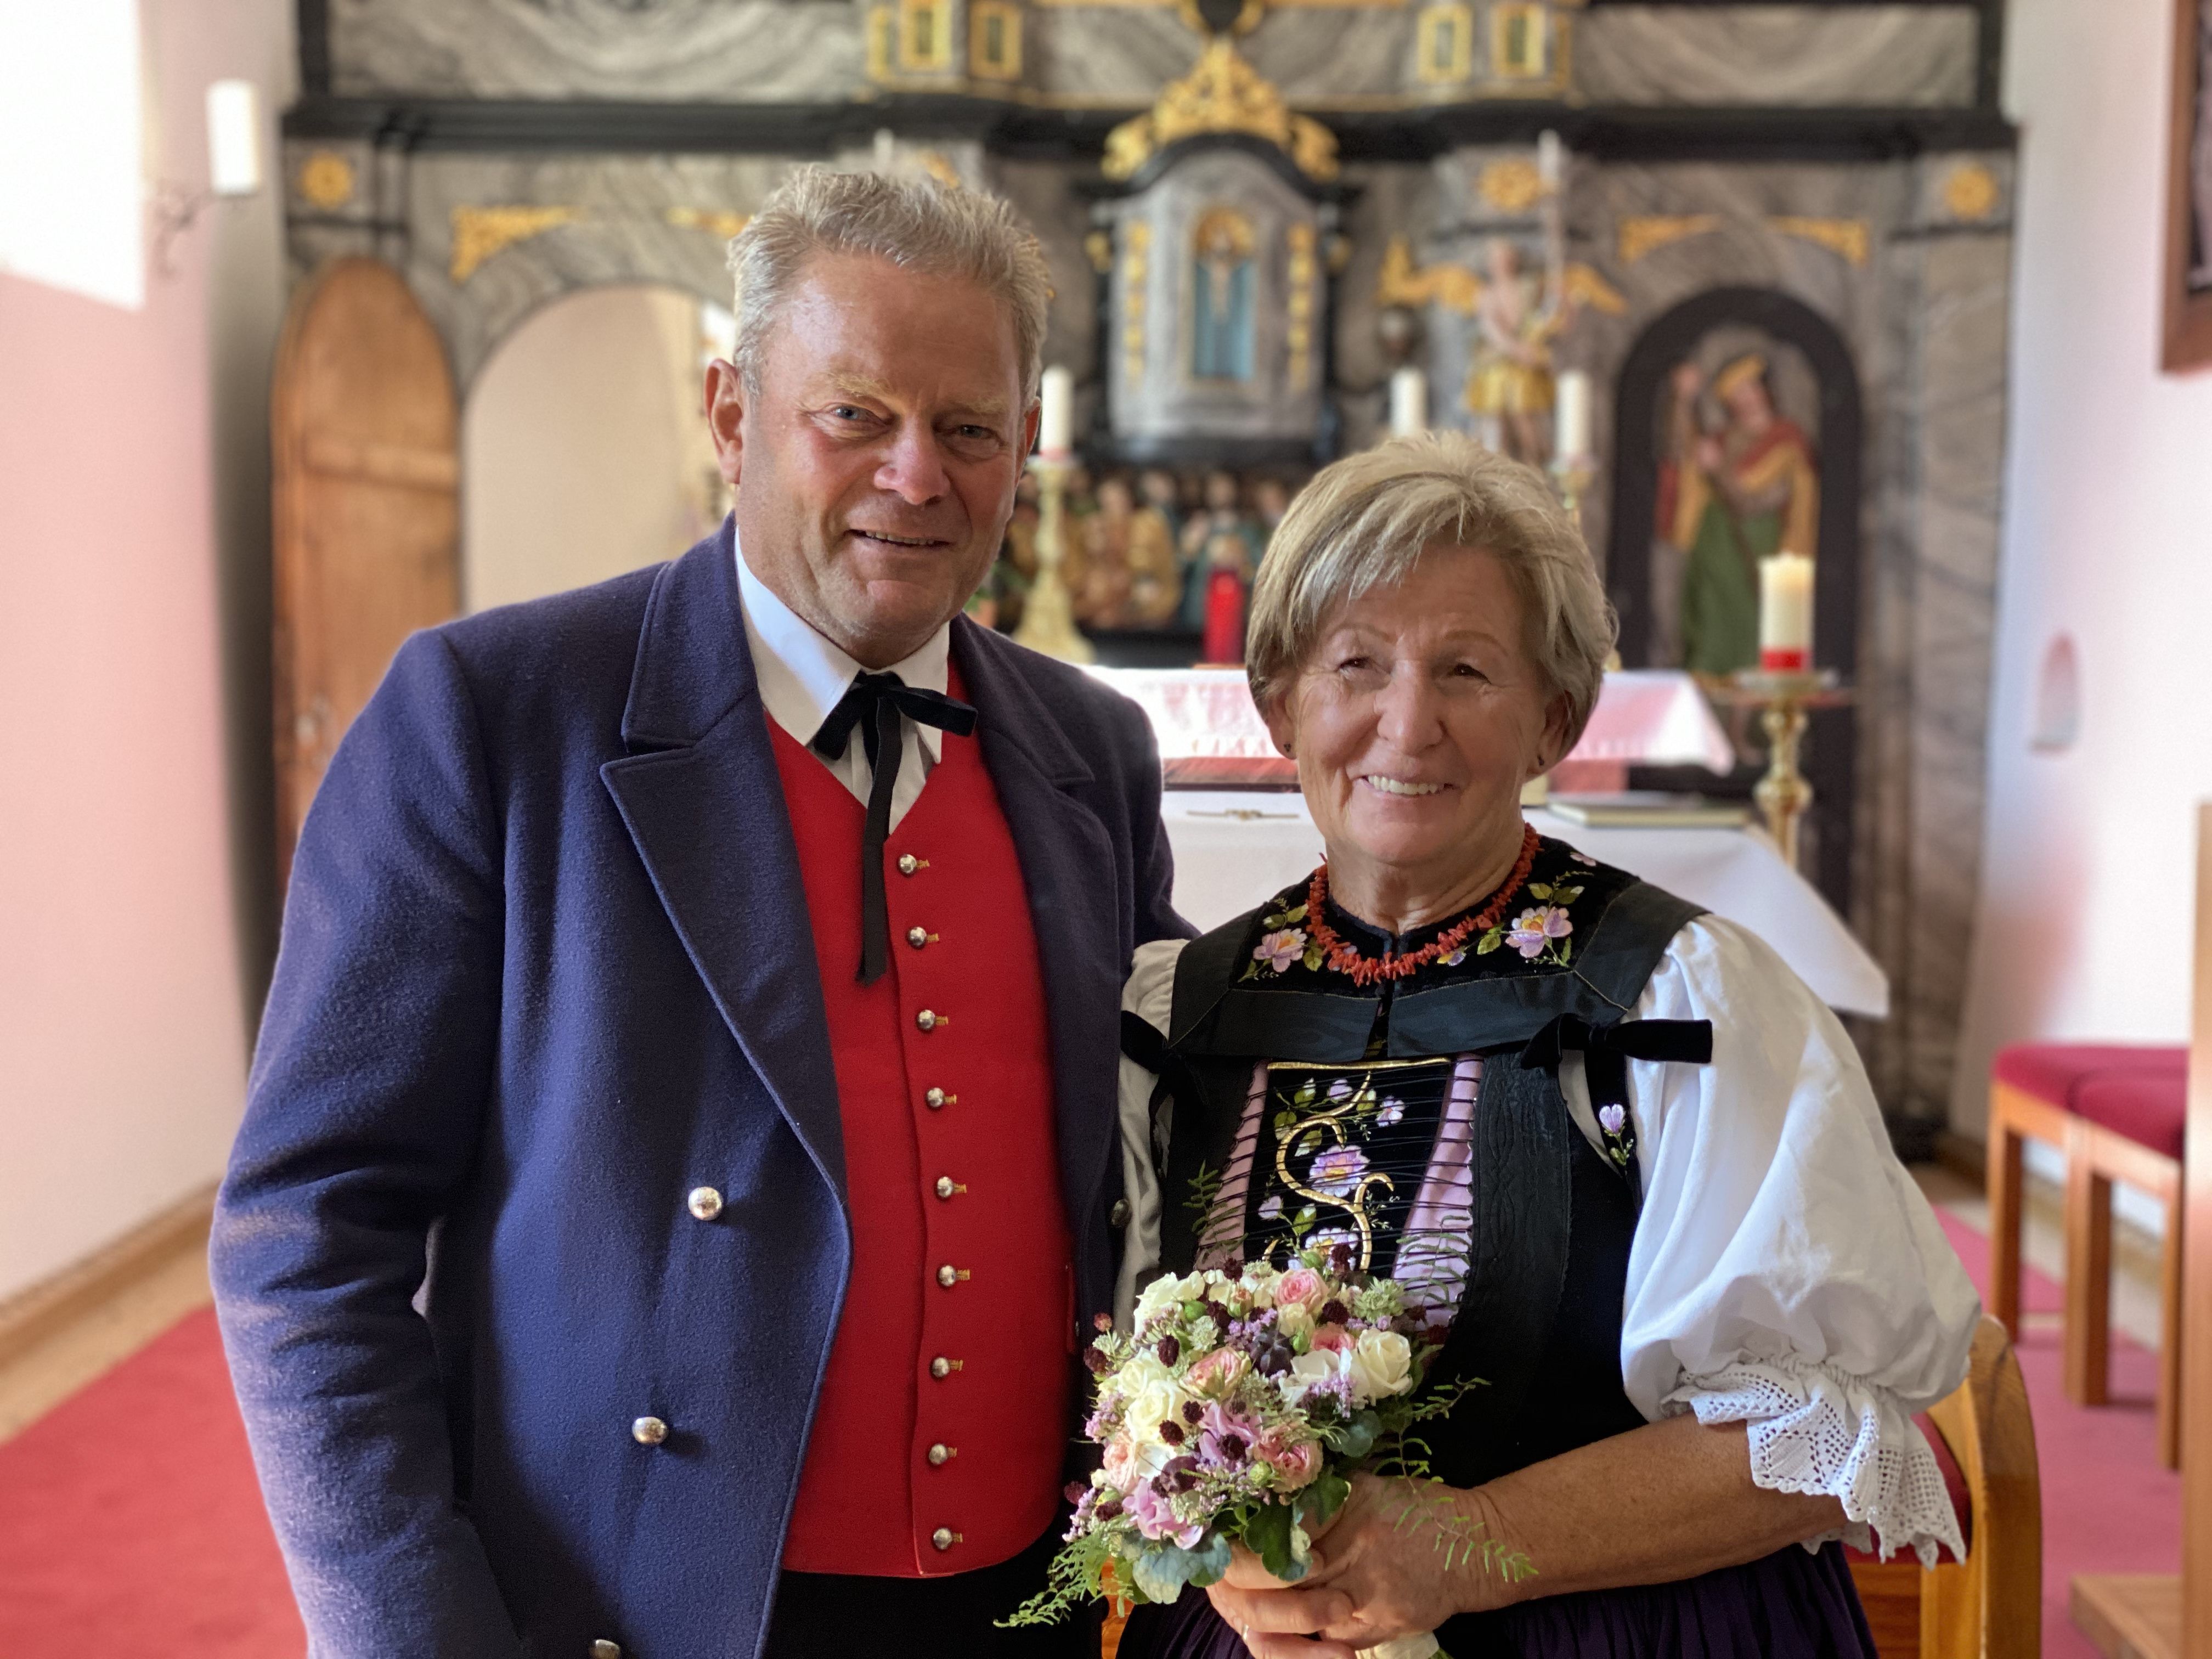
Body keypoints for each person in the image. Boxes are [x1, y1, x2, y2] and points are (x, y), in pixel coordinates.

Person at [211, 168, 1186, 1659]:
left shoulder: (1091, 750)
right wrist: (415, 1633)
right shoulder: (494, 714)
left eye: (971, 428)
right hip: (645, 1609)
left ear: (1027, 447)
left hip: (1031, 1603)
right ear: (733, 416)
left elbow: (1139, 1163)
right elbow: (306, 1231)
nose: (917, 474)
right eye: (853, 413)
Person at [1111, 432, 1976, 1658]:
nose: (1407, 726)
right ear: (1280, 705)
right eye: (1356, 664)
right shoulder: (1182, 1013)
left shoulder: (1682, 1000)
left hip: (1624, 1630)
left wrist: (1466, 1543)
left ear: (1554, 717)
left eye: (1467, 670)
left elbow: (1821, 1438)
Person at [1659, 353, 1820, 674]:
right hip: (1715, 544)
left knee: (1753, 633)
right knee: (1709, 627)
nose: (1745, 400)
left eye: (1750, 389)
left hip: (1761, 544)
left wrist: (1719, 468)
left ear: (1765, 390)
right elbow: (1684, 452)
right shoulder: (1723, 438)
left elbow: (1754, 496)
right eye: (1735, 394)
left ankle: (1755, 720)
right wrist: (1683, 401)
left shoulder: (1786, 440)